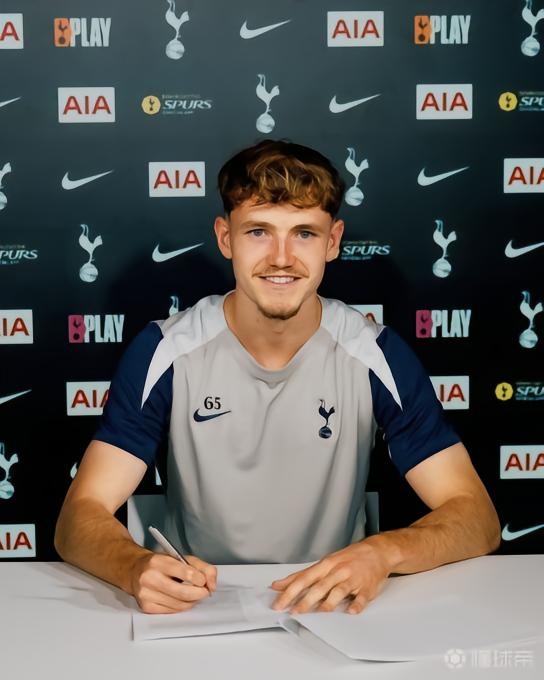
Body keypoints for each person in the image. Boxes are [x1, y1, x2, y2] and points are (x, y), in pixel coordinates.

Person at [55, 139, 501, 616]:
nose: (282, 257)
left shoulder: (376, 352)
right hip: (197, 607)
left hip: (331, 606)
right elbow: (79, 515)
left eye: (304, 233)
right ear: (226, 238)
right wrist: (132, 566)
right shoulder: (165, 349)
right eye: (259, 232)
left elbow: (477, 517)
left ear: (333, 241)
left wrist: (383, 552)